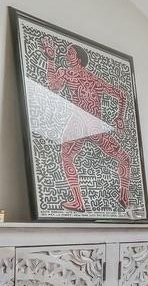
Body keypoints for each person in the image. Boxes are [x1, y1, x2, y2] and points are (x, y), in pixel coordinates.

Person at [42, 39, 132, 212]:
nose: (67, 55)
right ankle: (81, 201)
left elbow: (121, 95)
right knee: (68, 156)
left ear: (79, 58)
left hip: (91, 125)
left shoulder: (87, 78)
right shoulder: (68, 73)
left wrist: (120, 117)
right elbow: (53, 87)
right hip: (84, 123)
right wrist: (50, 59)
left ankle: (121, 196)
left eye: (70, 53)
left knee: (125, 159)